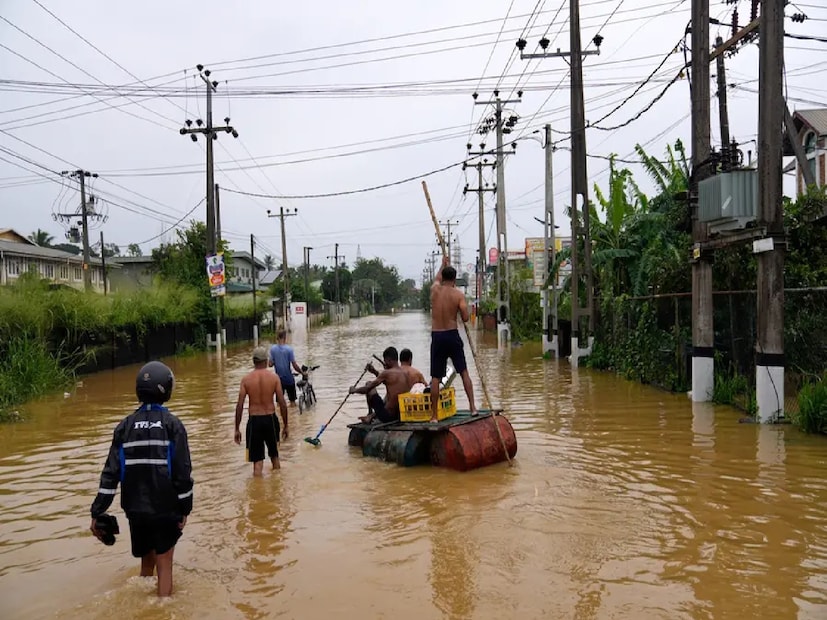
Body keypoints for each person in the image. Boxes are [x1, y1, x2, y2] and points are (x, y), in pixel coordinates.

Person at [89, 361, 193, 598]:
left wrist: (97, 511)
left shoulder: (124, 427)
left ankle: (144, 601)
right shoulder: (173, 425)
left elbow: (110, 474)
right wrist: (185, 508)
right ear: (166, 389)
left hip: (135, 509)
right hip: (165, 508)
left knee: (147, 561)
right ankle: (163, 608)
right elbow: (182, 473)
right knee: (164, 564)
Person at [430, 256, 477, 421]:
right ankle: (472, 407)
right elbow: (465, 317)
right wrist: (460, 308)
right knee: (463, 371)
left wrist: (442, 265)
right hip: (451, 334)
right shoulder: (458, 295)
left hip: (437, 335)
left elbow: (436, 279)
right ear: (454, 279)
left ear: (443, 277)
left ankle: (434, 415)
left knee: (436, 377)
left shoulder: (434, 290)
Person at [235, 346, 289, 476]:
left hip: (254, 421)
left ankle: (257, 488)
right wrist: (286, 425)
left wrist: (237, 428)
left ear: (254, 361)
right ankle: (278, 486)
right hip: (270, 419)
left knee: (257, 463)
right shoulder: (274, 378)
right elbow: (282, 403)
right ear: (266, 361)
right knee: (275, 457)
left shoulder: (246, 380)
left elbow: (240, 405)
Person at [349, 346, 410, 424]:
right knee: (388, 397)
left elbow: (367, 389)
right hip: (400, 415)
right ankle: (370, 416)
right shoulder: (405, 373)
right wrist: (374, 371)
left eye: (385, 361)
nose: (385, 363)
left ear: (389, 360)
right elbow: (388, 382)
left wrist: (354, 390)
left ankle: (370, 414)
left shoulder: (387, 373)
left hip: (387, 416)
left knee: (369, 384)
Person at [268, 330, 305, 405]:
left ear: (277, 337)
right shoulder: (289, 349)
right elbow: (294, 365)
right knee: (292, 403)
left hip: (278, 380)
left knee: (279, 404)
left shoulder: (273, 349)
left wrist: (276, 360)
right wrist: (302, 373)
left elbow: (270, 364)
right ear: (285, 337)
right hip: (289, 379)